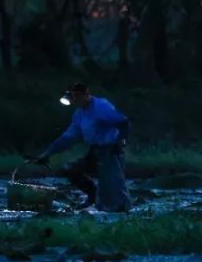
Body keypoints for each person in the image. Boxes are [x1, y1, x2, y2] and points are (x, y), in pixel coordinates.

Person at [29, 83, 131, 212]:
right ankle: (93, 196)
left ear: (86, 95)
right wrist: (47, 154)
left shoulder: (100, 107)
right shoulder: (80, 113)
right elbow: (67, 138)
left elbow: (124, 122)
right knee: (70, 170)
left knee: (113, 186)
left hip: (111, 150)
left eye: (77, 96)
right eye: (72, 97)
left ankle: (123, 211)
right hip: (94, 151)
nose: (75, 100)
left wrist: (121, 142)